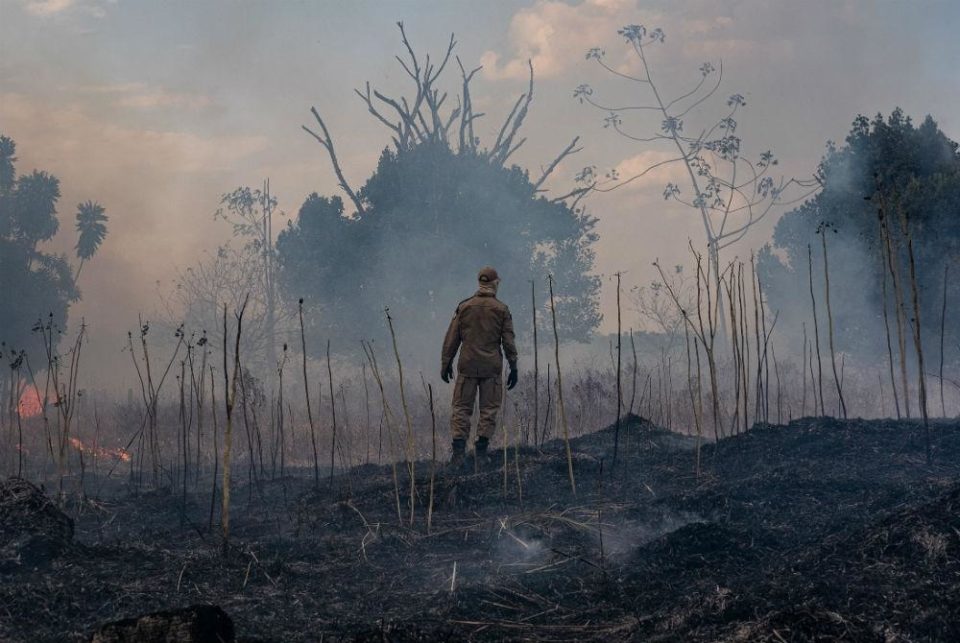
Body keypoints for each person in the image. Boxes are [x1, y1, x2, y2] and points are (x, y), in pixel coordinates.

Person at [441, 266, 518, 469]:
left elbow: (452, 338)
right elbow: (508, 342)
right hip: (491, 368)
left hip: (467, 366)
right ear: (495, 283)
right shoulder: (501, 310)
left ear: (479, 283)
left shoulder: (464, 307)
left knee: (461, 408)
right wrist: (514, 365)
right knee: (489, 410)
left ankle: (458, 455)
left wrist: (446, 362)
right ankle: (481, 454)